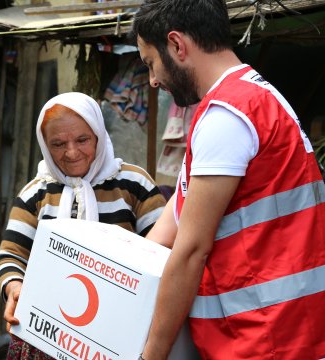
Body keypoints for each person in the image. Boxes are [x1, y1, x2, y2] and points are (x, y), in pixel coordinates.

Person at [132, 1, 325, 359]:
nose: (154, 80)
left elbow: (190, 250)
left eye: (150, 63)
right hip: (279, 332)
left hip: (263, 339)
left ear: (177, 45)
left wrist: (151, 353)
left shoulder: (227, 115)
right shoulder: (251, 97)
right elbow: (180, 210)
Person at [0, 91, 167, 359]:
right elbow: (9, 256)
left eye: (82, 140)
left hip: (119, 333)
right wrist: (15, 286)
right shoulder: (35, 194)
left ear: (98, 134)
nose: (72, 152)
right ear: (44, 144)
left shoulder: (134, 184)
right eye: (58, 144)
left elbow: (166, 256)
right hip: (50, 334)